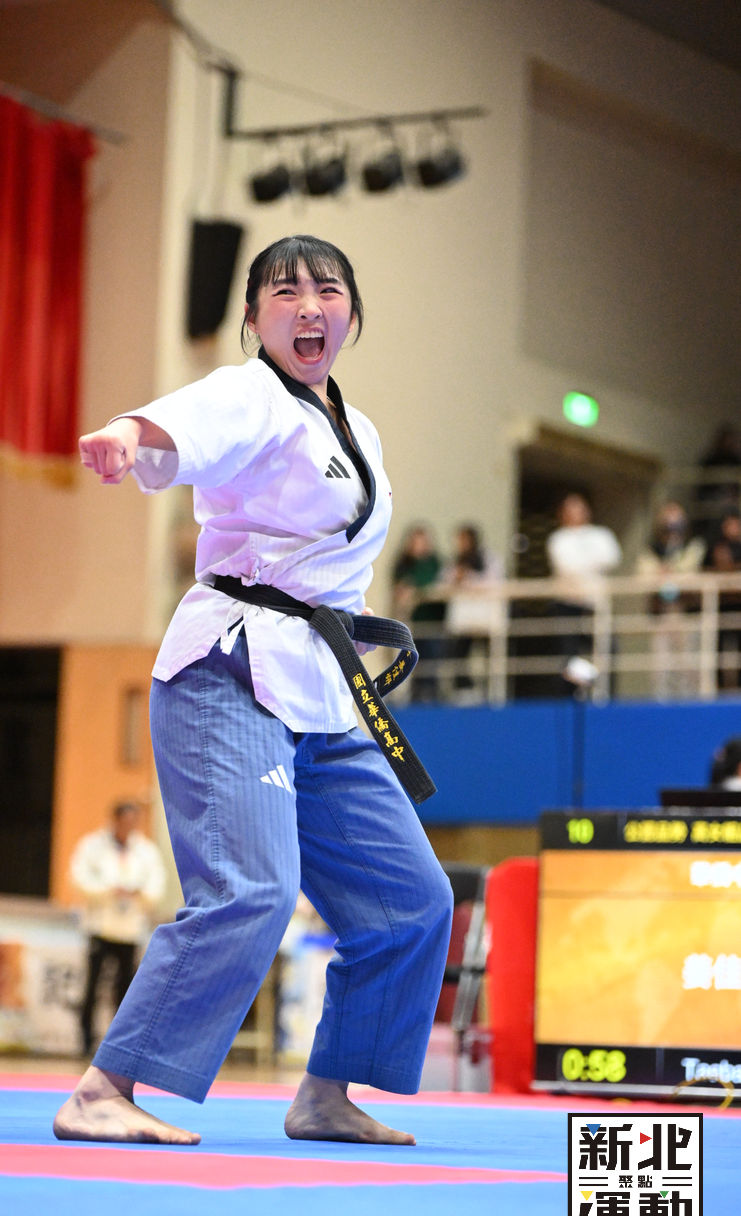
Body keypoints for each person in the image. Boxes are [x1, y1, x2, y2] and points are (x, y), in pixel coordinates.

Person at [54, 234, 453, 1147]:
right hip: (228, 673)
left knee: (411, 902)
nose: (308, 306)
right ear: (252, 317)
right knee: (252, 890)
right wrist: (129, 435)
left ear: (352, 312)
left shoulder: (357, 429)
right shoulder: (250, 394)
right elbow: (189, 419)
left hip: (320, 687)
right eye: (284, 291)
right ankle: (103, 1088)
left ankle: (325, 1095)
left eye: (327, 289)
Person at [69, 801, 167, 1055]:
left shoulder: (145, 850)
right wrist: (108, 890)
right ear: (115, 820)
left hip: (129, 929)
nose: (128, 826)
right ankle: (86, 1041)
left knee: (126, 990)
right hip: (100, 926)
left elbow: (157, 885)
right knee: (92, 986)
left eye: (133, 821)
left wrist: (138, 893)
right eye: (124, 821)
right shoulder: (93, 845)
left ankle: (120, 1044)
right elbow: (78, 877)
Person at [545, 492, 621, 695]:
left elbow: (612, 557)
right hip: (568, 604)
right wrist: (592, 563)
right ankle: (571, 696)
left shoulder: (601, 534)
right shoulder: (558, 539)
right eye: (570, 509)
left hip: (595, 604)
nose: (575, 513)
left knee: (608, 648)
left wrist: (582, 563)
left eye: (579, 508)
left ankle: (606, 696)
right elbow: (567, 567)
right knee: (570, 655)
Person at [635, 501, 704, 699]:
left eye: (676, 523)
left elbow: (691, 573)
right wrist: (661, 573)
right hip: (661, 612)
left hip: (685, 612)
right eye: (667, 523)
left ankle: (689, 701)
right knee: (660, 664)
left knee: (688, 662)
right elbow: (643, 577)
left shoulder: (692, 546)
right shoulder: (651, 550)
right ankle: (661, 702)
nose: (672, 529)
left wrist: (673, 571)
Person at [442, 524, 503, 694]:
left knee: (490, 656)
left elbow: (494, 581)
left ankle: (490, 691)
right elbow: (444, 581)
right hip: (463, 619)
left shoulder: (489, 559)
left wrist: (468, 577)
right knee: (460, 654)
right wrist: (457, 577)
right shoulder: (455, 561)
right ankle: (463, 689)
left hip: (485, 616)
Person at [390, 523, 445, 701]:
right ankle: (411, 695)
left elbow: (431, 581)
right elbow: (398, 586)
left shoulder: (434, 562)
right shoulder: (403, 563)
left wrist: (413, 586)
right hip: (409, 622)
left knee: (430, 661)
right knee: (409, 661)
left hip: (432, 620)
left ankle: (429, 694)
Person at [702, 508, 741, 690]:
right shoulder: (715, 546)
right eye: (728, 523)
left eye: (735, 523)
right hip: (720, 605)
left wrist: (731, 568)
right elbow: (703, 570)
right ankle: (718, 686)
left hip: (739, 605)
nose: (732, 527)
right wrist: (721, 568)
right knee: (717, 648)